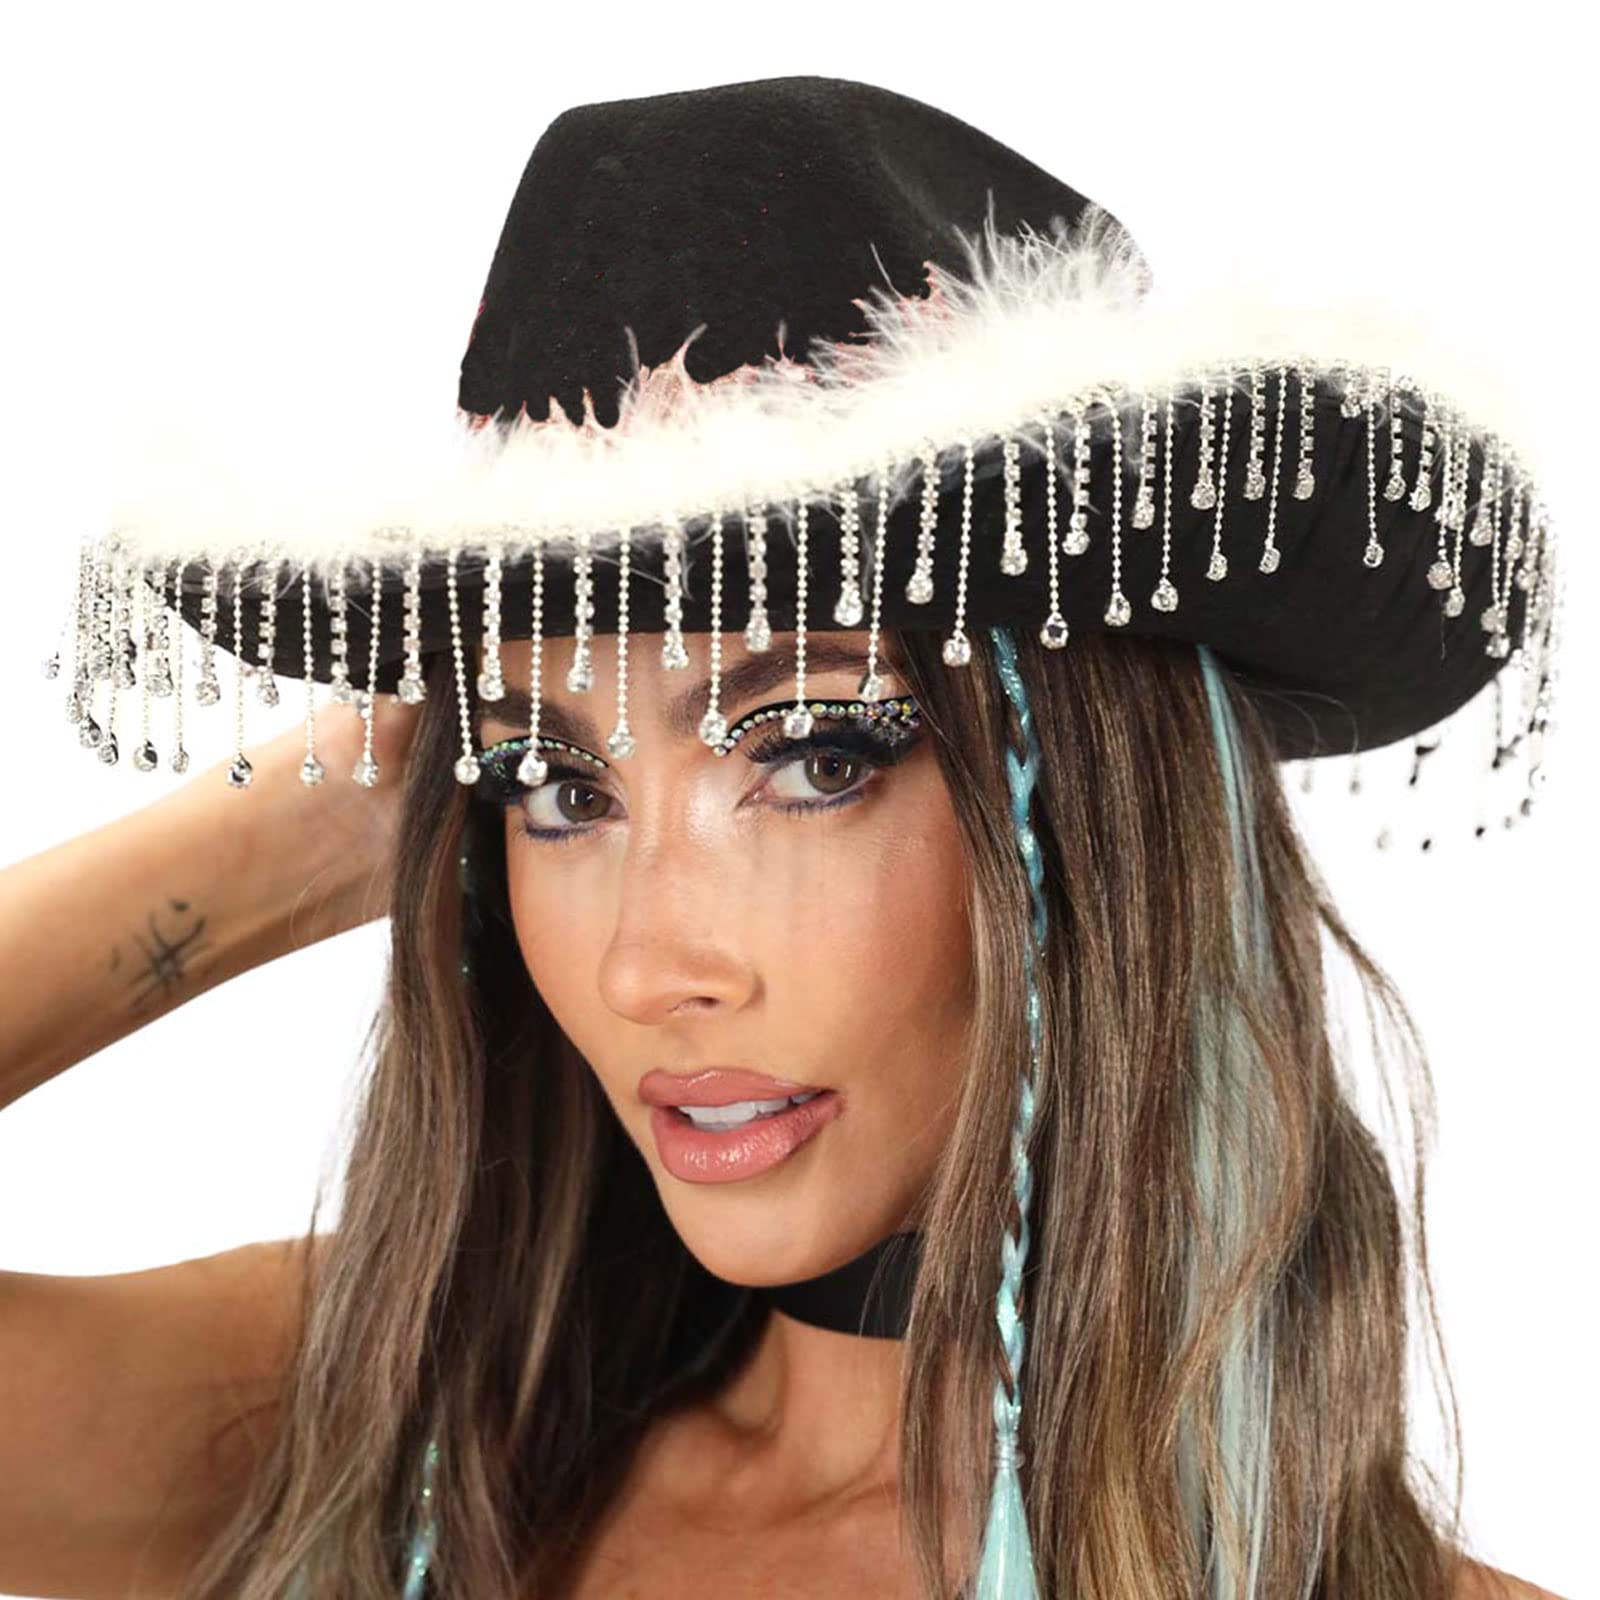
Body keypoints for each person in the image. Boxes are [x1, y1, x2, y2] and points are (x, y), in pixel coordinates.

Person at [0, 74, 1568, 1600]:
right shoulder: (383, 1425)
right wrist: (297, 840)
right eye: (555, 791)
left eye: (815, 757)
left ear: (1103, 819)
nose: (644, 970)